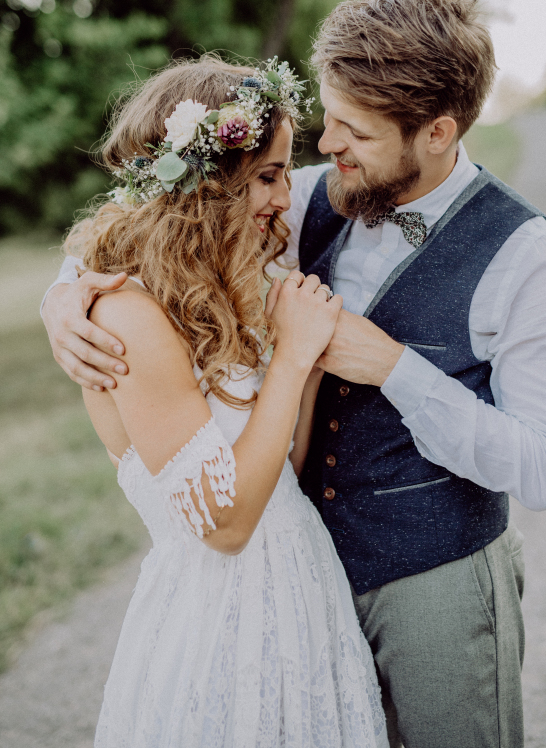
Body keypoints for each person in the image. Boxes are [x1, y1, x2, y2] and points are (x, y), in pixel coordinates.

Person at [43, 0, 546, 748]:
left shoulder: (526, 257)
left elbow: (544, 467)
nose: (326, 146)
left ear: (436, 131)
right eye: (327, 118)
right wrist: (64, 301)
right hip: (298, 586)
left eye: (353, 130)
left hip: (436, 584)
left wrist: (397, 368)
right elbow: (161, 214)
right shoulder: (299, 197)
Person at [50, 56, 388, 747]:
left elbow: (279, 476)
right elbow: (227, 524)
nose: (285, 198)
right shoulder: (127, 315)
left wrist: (311, 360)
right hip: (215, 628)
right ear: (207, 181)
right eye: (267, 176)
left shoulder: (234, 283)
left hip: (303, 600)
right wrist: (293, 358)